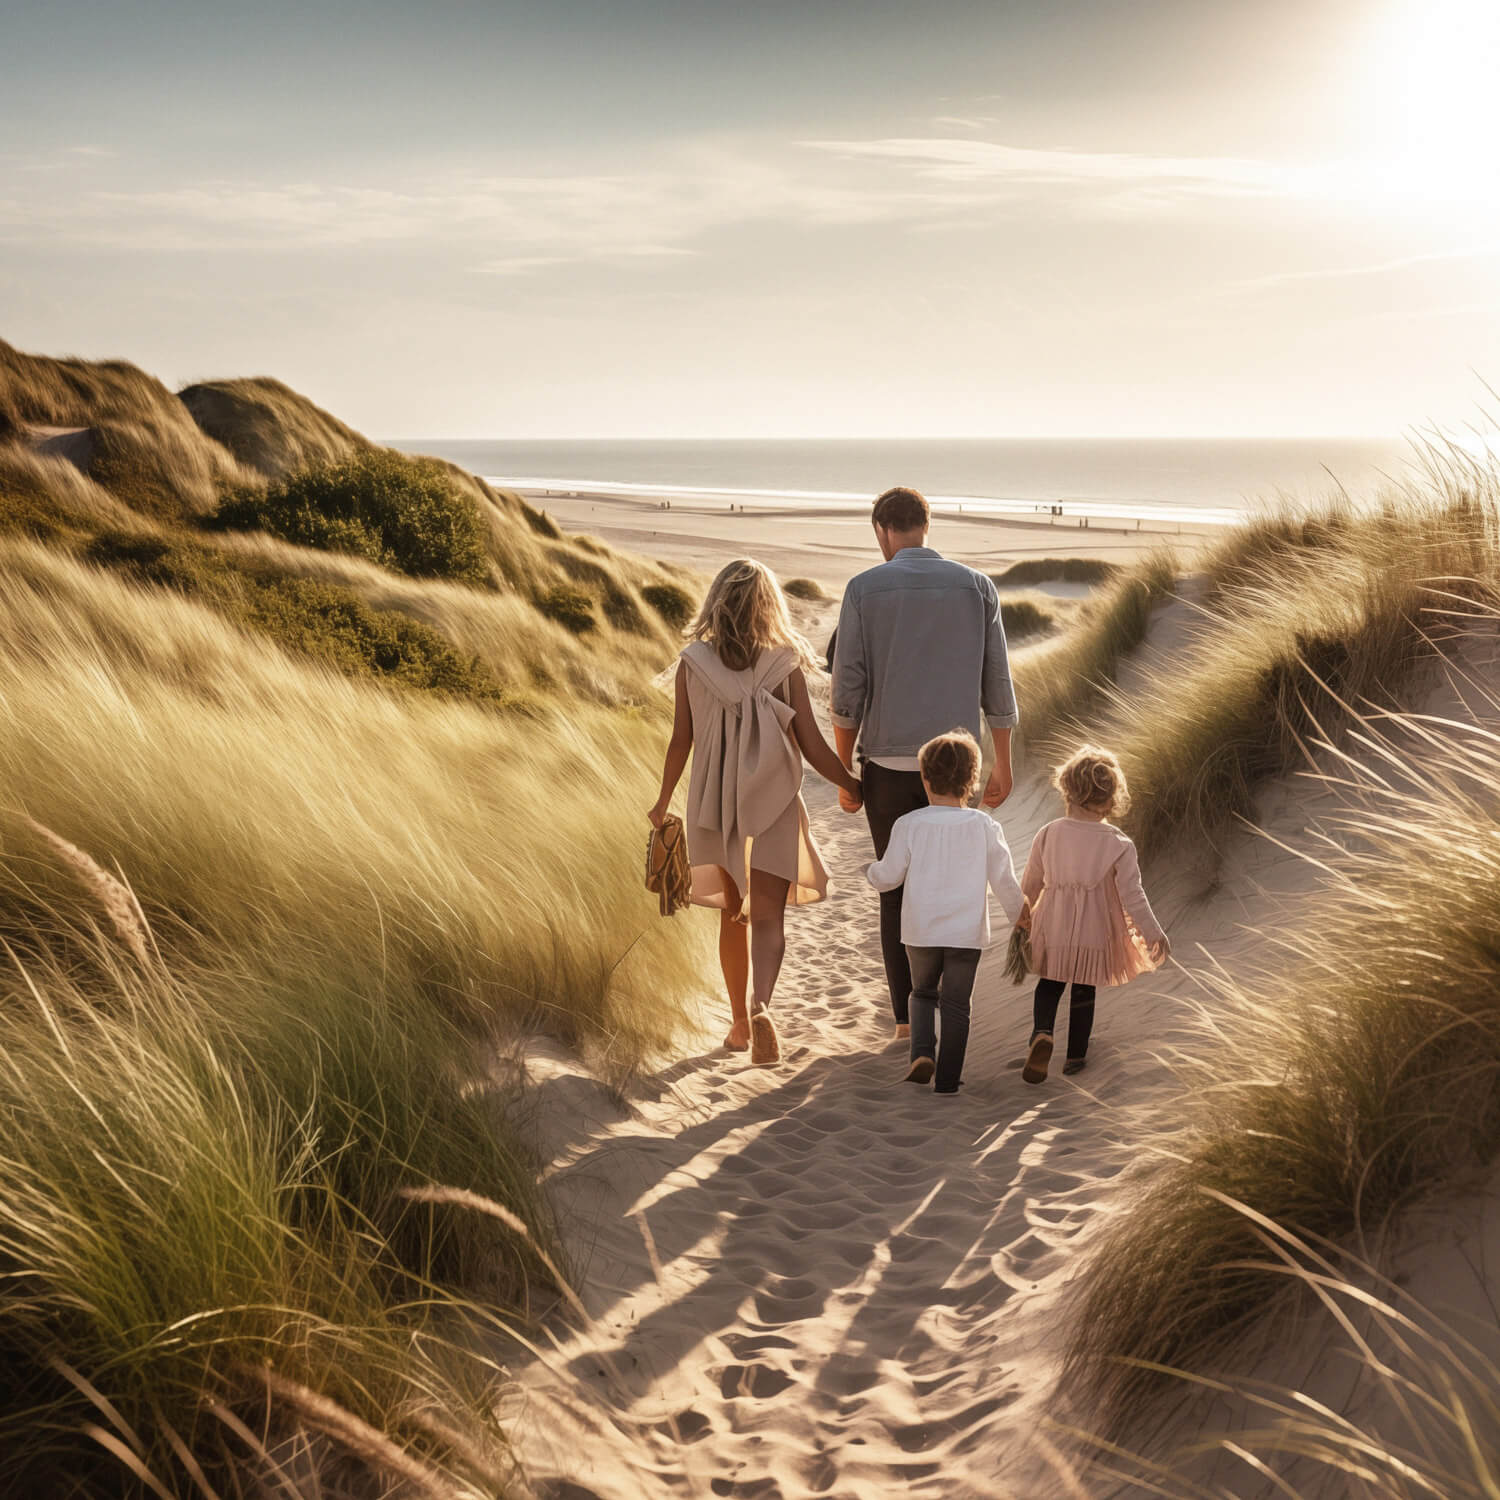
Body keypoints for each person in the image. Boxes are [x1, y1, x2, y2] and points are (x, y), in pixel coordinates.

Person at [649, 559, 863, 1065]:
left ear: (715, 603)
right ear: (769, 605)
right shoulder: (783, 662)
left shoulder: (692, 663)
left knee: (732, 914)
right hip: (772, 801)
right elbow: (809, 742)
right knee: (768, 917)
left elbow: (681, 741)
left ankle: (740, 1027)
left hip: (713, 802)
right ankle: (762, 1004)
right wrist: (851, 783)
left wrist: (661, 802)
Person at [831, 485, 1019, 1038]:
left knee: (897, 891)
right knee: (956, 885)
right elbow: (998, 684)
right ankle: (946, 1007)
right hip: (957, 768)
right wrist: (1002, 763)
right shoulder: (976, 587)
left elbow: (848, 689)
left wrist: (845, 772)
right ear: (926, 526)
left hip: (886, 767)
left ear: (881, 530)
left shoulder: (863, 588)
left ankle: (904, 1019)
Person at [865, 730, 1024, 1094]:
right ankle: (949, 1079)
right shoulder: (986, 826)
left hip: (920, 931)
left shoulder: (909, 825)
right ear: (973, 780)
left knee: (921, 992)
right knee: (956, 1004)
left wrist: (868, 873)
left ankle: (922, 1053)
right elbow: (1004, 880)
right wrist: (1020, 916)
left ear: (924, 778)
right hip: (966, 935)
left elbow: (888, 877)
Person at [1015, 745, 1170, 1084]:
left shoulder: (1049, 833)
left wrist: (1022, 915)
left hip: (1053, 925)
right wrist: (1153, 932)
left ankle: (1042, 1033)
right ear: (1111, 799)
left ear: (1067, 790)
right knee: (1084, 989)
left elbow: (1031, 882)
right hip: (1094, 930)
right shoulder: (1119, 843)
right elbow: (1133, 895)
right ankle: (1075, 1056)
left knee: (1050, 984)